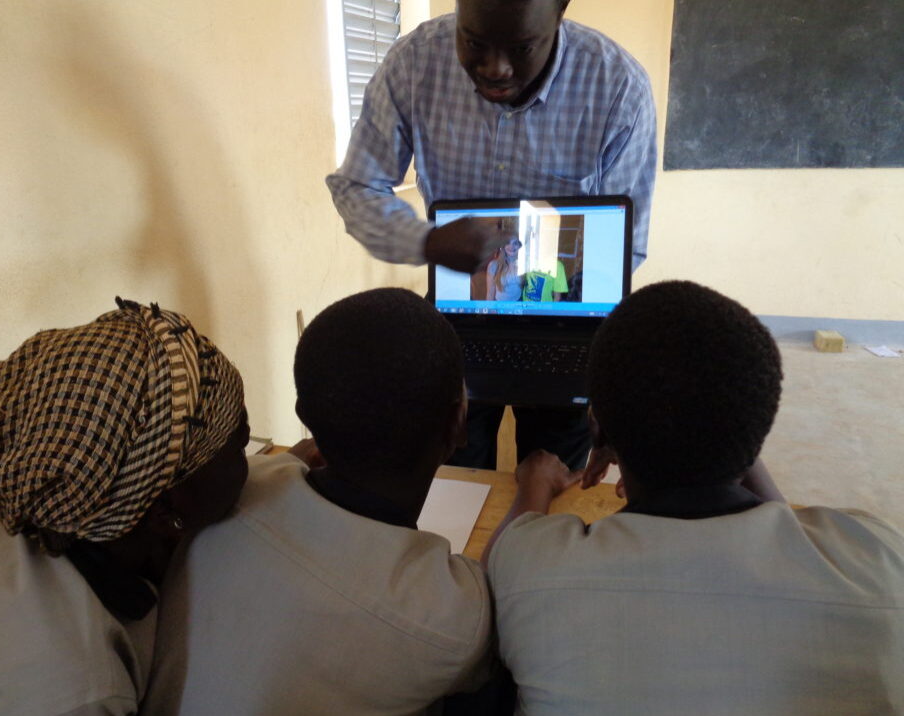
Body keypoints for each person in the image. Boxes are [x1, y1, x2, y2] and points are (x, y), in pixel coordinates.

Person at [484, 281, 904, 714]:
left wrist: (536, 481)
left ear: (598, 431)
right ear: (760, 426)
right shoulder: (877, 558)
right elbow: (790, 529)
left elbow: (500, 564)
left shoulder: (532, 565)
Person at [147, 288, 561, 715]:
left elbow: (286, 466)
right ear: (458, 424)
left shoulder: (242, 487)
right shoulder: (449, 618)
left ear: (304, 418)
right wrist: (535, 487)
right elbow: (495, 584)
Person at [327, 0, 657, 472]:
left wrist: (607, 368)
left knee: (551, 478)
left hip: (567, 324)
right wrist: (426, 242)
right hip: (456, 316)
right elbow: (357, 184)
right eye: (474, 43)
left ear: (560, 12)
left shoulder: (617, 87)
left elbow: (627, 245)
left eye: (521, 47)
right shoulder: (414, 62)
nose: (495, 68)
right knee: (454, 476)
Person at [0, 298, 252, 716]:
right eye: (242, 440)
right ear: (164, 508)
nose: (253, 452)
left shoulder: (39, 497)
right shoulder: (75, 693)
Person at [486, 235, 524, 300]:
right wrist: (489, 309)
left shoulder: (525, 264)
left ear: (520, 246)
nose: (511, 247)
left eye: (515, 243)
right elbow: (490, 293)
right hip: (499, 306)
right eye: (507, 243)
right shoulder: (494, 265)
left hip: (519, 305)